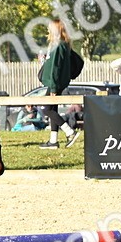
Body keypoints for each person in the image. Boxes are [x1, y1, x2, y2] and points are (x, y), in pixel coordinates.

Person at [37, 18, 82, 149]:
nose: (48, 29)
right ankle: (53, 141)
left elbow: (55, 69)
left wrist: (53, 87)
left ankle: (69, 132)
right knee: (53, 109)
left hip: (54, 84)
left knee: (46, 109)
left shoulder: (58, 45)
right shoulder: (63, 45)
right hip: (56, 83)